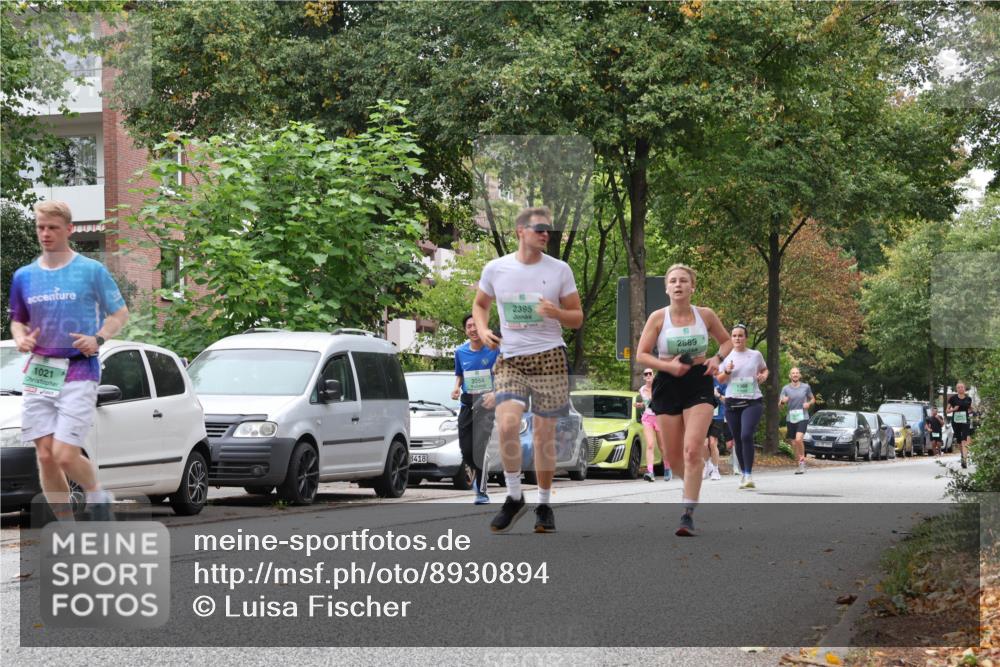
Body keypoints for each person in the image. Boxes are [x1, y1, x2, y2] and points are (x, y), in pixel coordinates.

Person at [9, 201, 129, 521]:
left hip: (79, 368)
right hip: (40, 370)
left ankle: (96, 493)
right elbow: (17, 320)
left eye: (53, 228)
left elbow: (120, 313)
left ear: (69, 230)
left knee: (64, 454)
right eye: (41, 227)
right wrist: (21, 338)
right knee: (45, 456)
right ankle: (68, 527)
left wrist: (98, 338)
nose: (45, 234)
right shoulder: (25, 276)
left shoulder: (91, 271)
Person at [473, 207, 582, 534]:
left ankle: (544, 504)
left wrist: (556, 312)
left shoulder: (560, 269)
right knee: (506, 424)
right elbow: (480, 304)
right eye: (539, 229)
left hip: (549, 356)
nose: (545, 234)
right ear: (521, 230)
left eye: (548, 229)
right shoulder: (496, 268)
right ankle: (514, 495)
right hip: (511, 358)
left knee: (542, 436)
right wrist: (481, 329)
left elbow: (577, 317)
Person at [635, 264, 731, 536]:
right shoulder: (657, 318)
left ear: (692, 287)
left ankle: (687, 513)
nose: (678, 285)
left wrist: (717, 358)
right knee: (674, 455)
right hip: (667, 382)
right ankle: (693, 474)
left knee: (692, 449)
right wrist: (667, 366)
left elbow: (725, 343)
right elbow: (642, 355)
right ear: (667, 288)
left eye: (683, 281)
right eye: (673, 281)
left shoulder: (705, 315)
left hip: (698, 381)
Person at [451, 314, 500, 504]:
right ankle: (476, 476)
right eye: (469, 326)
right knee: (466, 450)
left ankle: (481, 491)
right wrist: (456, 387)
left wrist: (496, 392)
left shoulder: (494, 350)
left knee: (479, 447)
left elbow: (504, 374)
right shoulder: (460, 352)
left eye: (475, 325)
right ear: (466, 330)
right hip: (467, 404)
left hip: (487, 404)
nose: (472, 329)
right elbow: (459, 374)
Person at [717, 324, 768, 490]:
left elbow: (765, 369)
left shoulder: (755, 355)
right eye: (734, 336)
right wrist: (727, 371)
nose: (737, 338)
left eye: (740, 335)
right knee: (738, 439)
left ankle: (748, 474)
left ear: (746, 337)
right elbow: (720, 379)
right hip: (732, 402)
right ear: (731, 338)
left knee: (746, 435)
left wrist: (762, 376)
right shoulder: (724, 356)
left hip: (752, 401)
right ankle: (744, 474)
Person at [635, 368, 671, 482]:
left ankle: (667, 468)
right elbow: (646, 404)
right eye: (646, 374)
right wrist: (639, 404)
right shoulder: (641, 390)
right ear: (644, 377)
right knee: (650, 445)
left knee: (662, 447)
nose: (648, 375)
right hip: (647, 418)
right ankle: (650, 472)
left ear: (653, 375)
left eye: (650, 373)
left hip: (659, 418)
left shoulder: (659, 387)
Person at [779, 367, 815, 474]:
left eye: (797, 373)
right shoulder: (785, 389)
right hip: (791, 417)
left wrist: (808, 404)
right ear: (790, 376)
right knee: (794, 443)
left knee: (799, 439)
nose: (795, 375)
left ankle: (802, 462)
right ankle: (799, 461)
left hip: (803, 416)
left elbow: (813, 399)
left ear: (799, 375)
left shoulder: (806, 387)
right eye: (793, 373)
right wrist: (782, 402)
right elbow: (779, 406)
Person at [947, 382, 973, 469]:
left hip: (965, 421)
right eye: (958, 387)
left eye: (962, 387)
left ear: (964, 388)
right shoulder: (952, 399)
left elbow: (970, 409)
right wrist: (953, 409)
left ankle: (964, 459)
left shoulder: (968, 398)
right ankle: (962, 455)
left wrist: (971, 411)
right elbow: (947, 411)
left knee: (964, 440)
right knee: (959, 440)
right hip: (955, 421)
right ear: (956, 389)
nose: (960, 389)